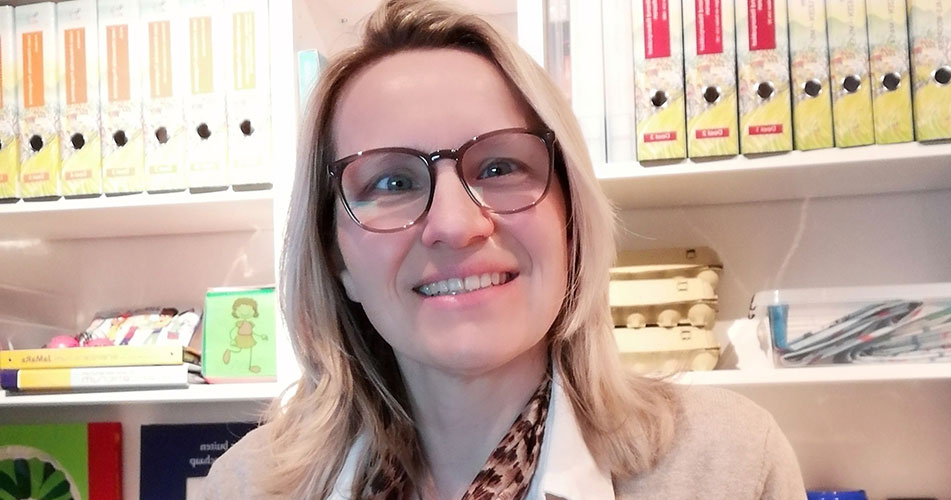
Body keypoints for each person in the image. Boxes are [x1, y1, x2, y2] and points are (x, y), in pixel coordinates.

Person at [201, 1, 806, 498]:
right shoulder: (244, 487)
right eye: (391, 182)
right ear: (336, 259)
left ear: (571, 221)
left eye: (499, 167)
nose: (455, 224)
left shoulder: (729, 467)